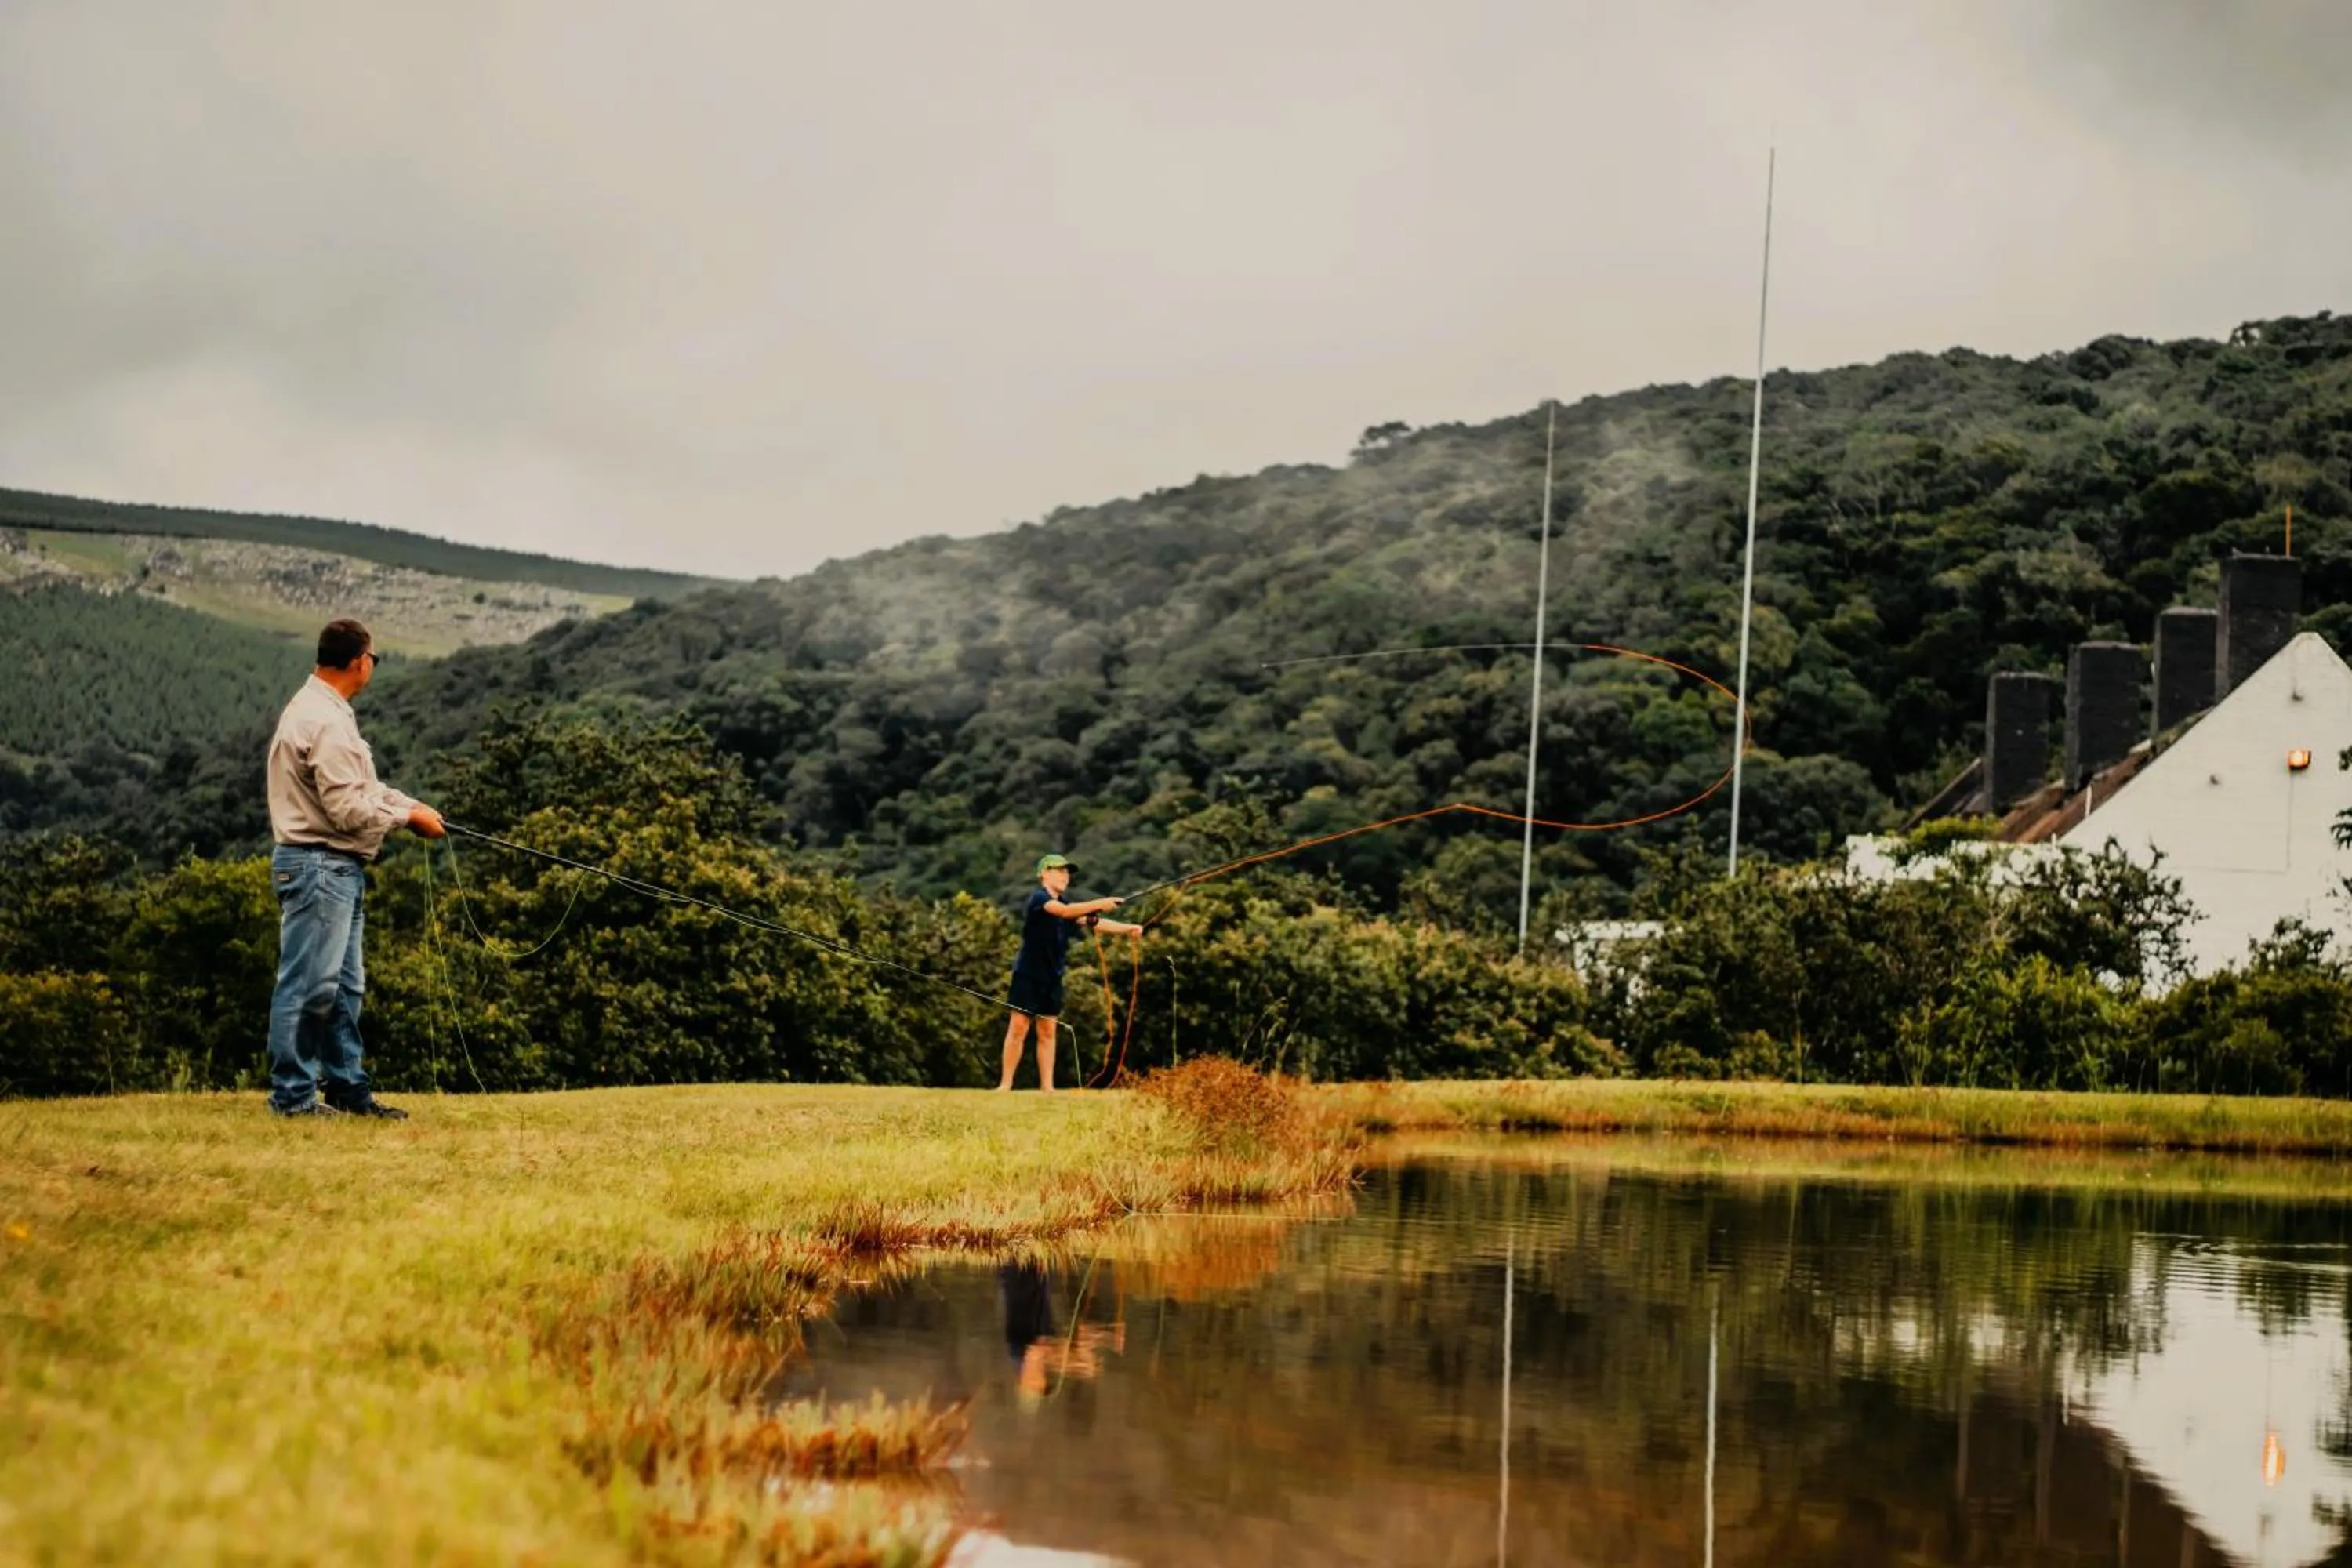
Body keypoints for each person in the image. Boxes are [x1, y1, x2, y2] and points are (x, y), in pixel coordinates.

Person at [263, 619, 445, 1118]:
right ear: (359, 661)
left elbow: (360, 791)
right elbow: (347, 809)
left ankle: (348, 1092)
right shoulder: (324, 721)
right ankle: (294, 1100)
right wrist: (408, 819)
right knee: (309, 987)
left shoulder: (322, 712)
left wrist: (411, 805)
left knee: (342, 989)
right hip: (319, 865)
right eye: (374, 658)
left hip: (335, 868)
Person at [996, 853, 1140, 1092]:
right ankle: (1005, 1084)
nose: (1065, 876)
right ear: (1043, 873)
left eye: (1067, 872)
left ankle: (1048, 1088)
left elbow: (1095, 923)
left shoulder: (1068, 906)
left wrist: (1128, 928)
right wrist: (1100, 903)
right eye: (1059, 871)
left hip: (1053, 976)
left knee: (1048, 1030)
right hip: (1028, 974)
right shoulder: (1039, 899)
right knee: (1019, 1027)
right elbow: (1064, 912)